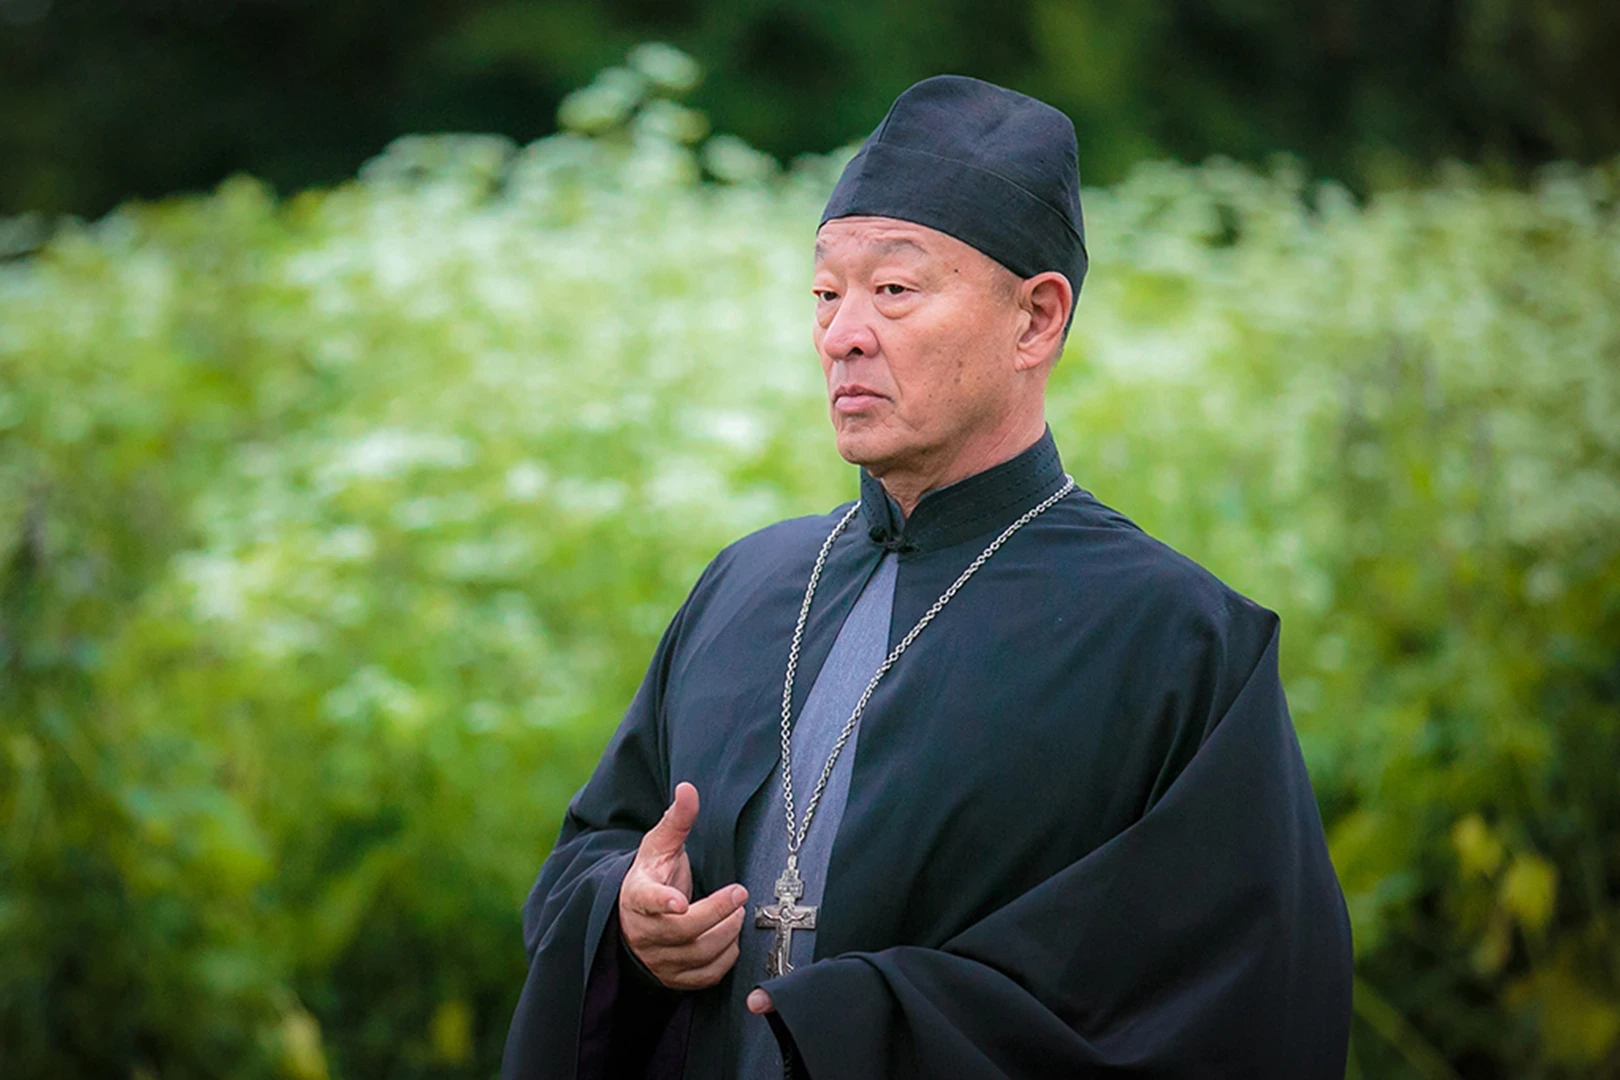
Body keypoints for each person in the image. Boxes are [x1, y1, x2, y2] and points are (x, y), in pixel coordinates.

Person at [500, 74, 1353, 1080]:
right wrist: (629, 917)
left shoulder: (1177, 640)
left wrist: (867, 1026)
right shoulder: (743, 587)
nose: (842, 335)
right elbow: (593, 852)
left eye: (894, 291)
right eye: (826, 294)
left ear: (1035, 319)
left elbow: (1232, 1001)